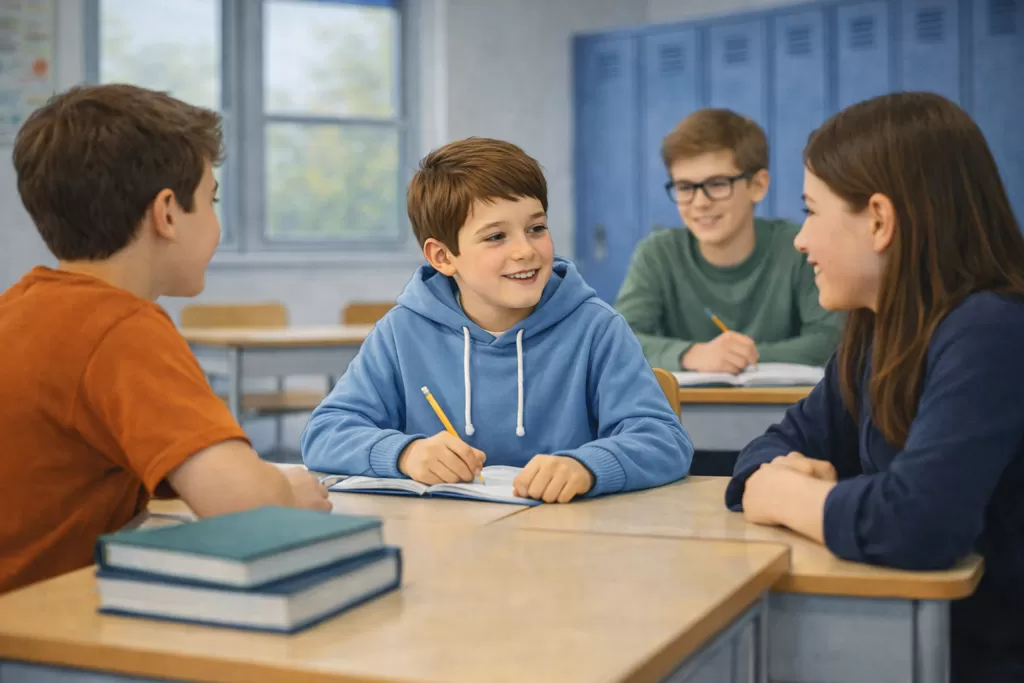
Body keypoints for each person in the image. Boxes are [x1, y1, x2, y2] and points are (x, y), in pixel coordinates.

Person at [726, 92, 1024, 683]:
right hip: (913, 638)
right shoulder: (877, 329)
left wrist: (784, 495)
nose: (799, 240)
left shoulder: (990, 330)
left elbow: (918, 526)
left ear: (881, 220)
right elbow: (768, 449)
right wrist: (775, 476)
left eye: (812, 211)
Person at [0, 84, 331, 595]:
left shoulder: (19, 308)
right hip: (36, 636)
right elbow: (250, 511)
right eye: (211, 200)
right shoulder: (122, 326)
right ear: (168, 213)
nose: (216, 222)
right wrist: (288, 493)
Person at [302, 138, 692, 503]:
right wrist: (404, 453)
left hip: (566, 544)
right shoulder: (402, 332)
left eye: (536, 228)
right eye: (495, 237)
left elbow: (663, 440)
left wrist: (588, 466)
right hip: (444, 541)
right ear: (442, 257)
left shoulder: (596, 329)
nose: (525, 250)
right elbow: (325, 433)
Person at [616, 108, 842, 373]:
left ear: (757, 186)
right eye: (686, 187)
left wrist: (738, 357)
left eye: (717, 184)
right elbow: (619, 340)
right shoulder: (657, 253)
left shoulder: (800, 247)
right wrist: (692, 354)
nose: (700, 203)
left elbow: (831, 340)